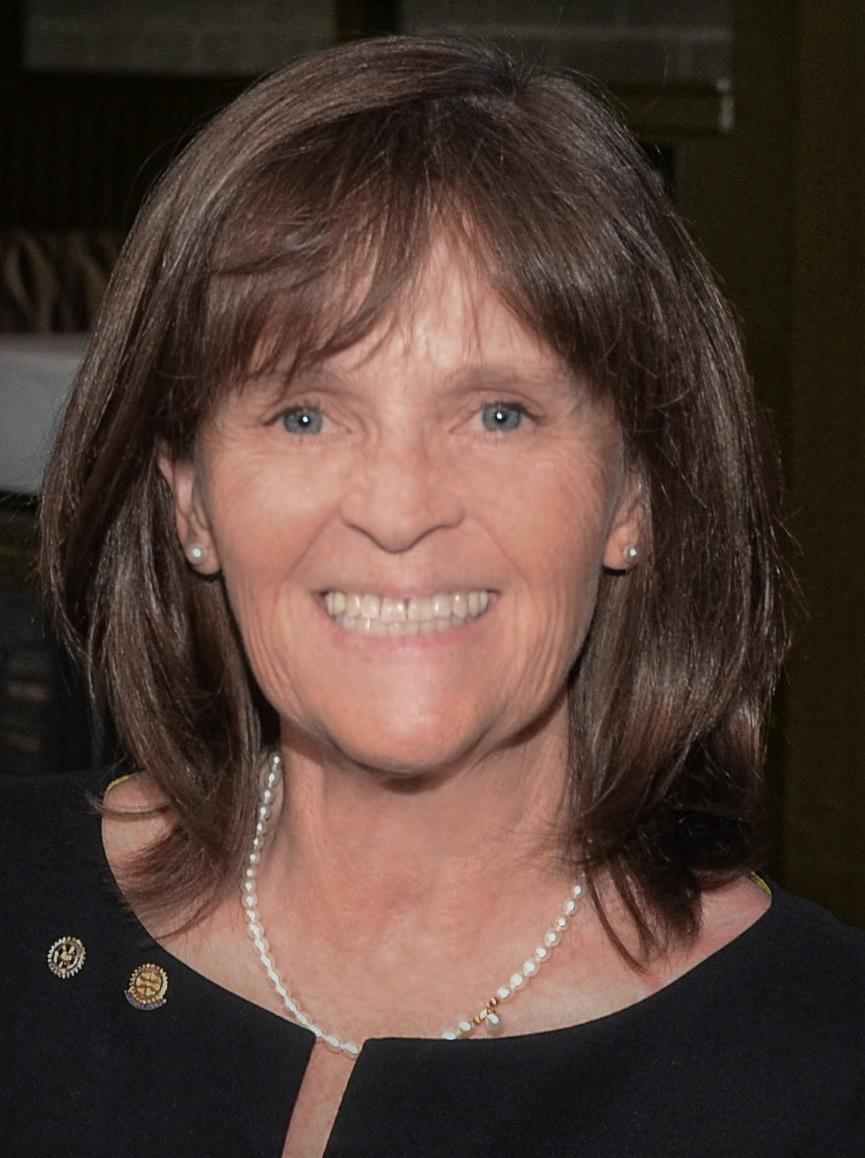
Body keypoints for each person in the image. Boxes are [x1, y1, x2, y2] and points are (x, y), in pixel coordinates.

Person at [1, 34, 862, 1158]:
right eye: (305, 415)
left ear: (634, 495)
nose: (400, 509)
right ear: (190, 501)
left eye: (498, 414)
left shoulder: (824, 1064)